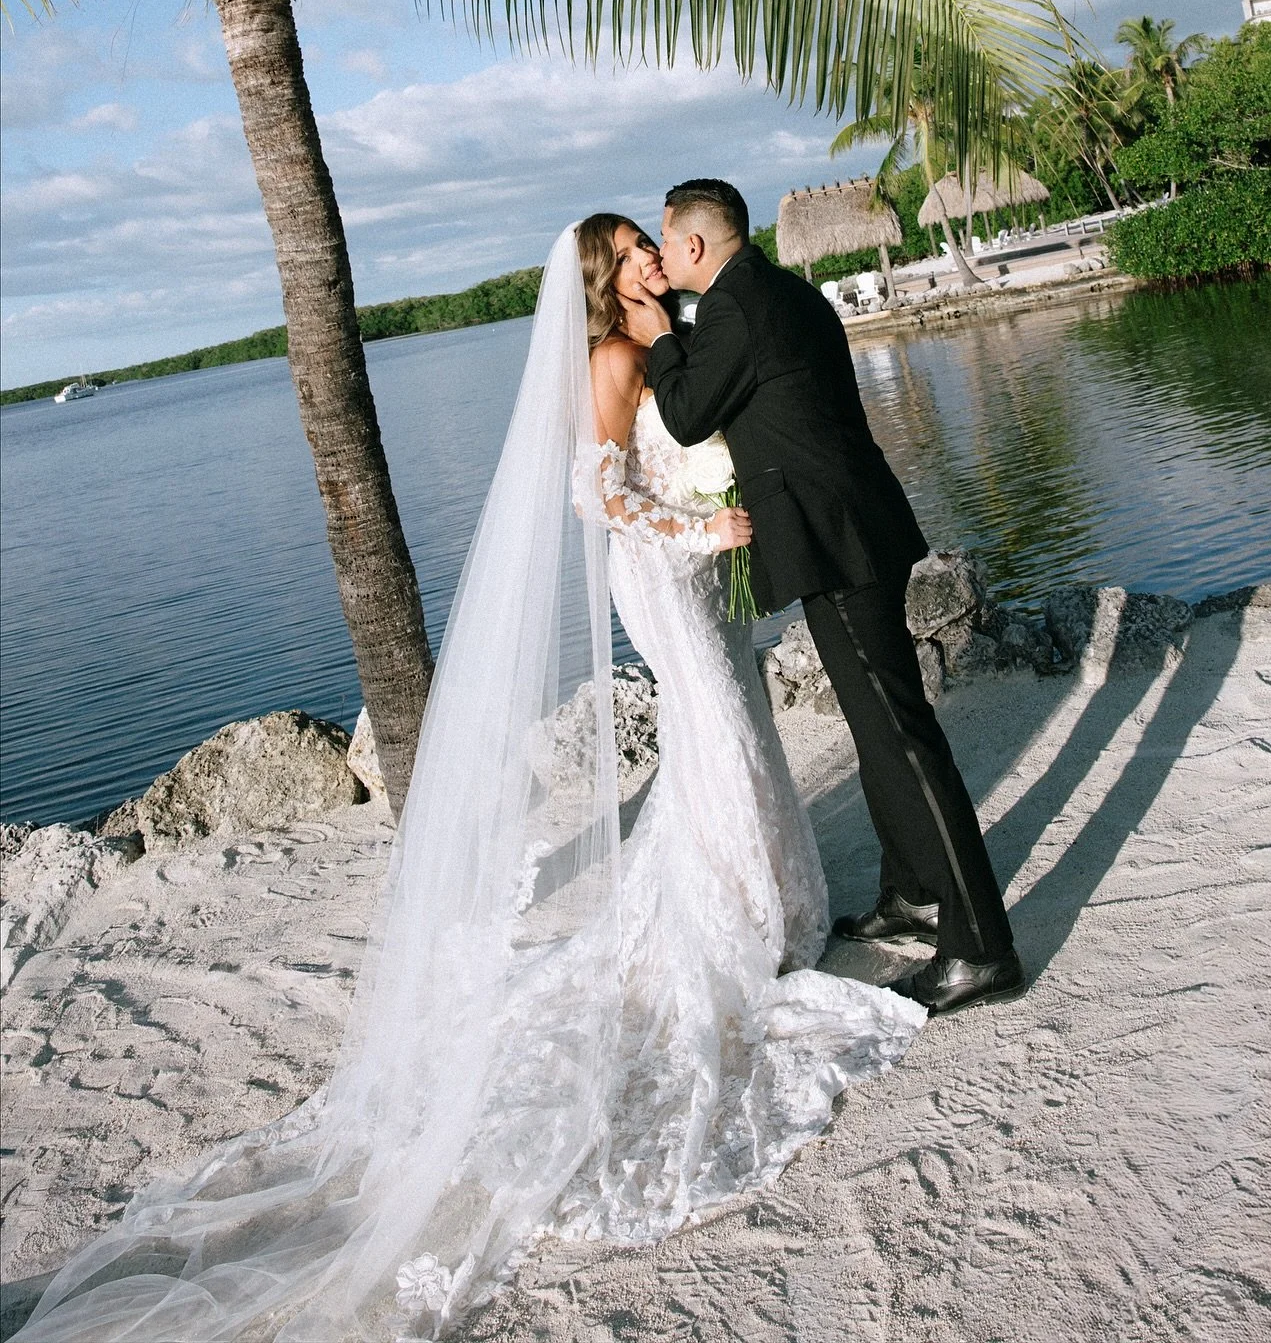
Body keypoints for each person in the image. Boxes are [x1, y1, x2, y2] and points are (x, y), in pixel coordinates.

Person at [21, 220, 921, 1343]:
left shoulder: (672, 339)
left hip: (702, 570)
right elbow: (597, 495)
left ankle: (766, 901)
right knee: (719, 734)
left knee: (738, 736)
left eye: (651, 243)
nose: (650, 257)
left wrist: (719, 503)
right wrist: (704, 526)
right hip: (666, 572)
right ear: (603, 279)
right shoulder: (612, 357)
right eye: (632, 251)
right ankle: (734, 919)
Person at [627, 178, 1024, 1018]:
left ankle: (981, 948)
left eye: (663, 241)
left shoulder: (735, 307)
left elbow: (690, 414)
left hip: (837, 539)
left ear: (694, 245)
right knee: (877, 727)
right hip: (848, 528)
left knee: (903, 736)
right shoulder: (778, 291)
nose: (659, 256)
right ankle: (913, 891)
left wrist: (660, 336)